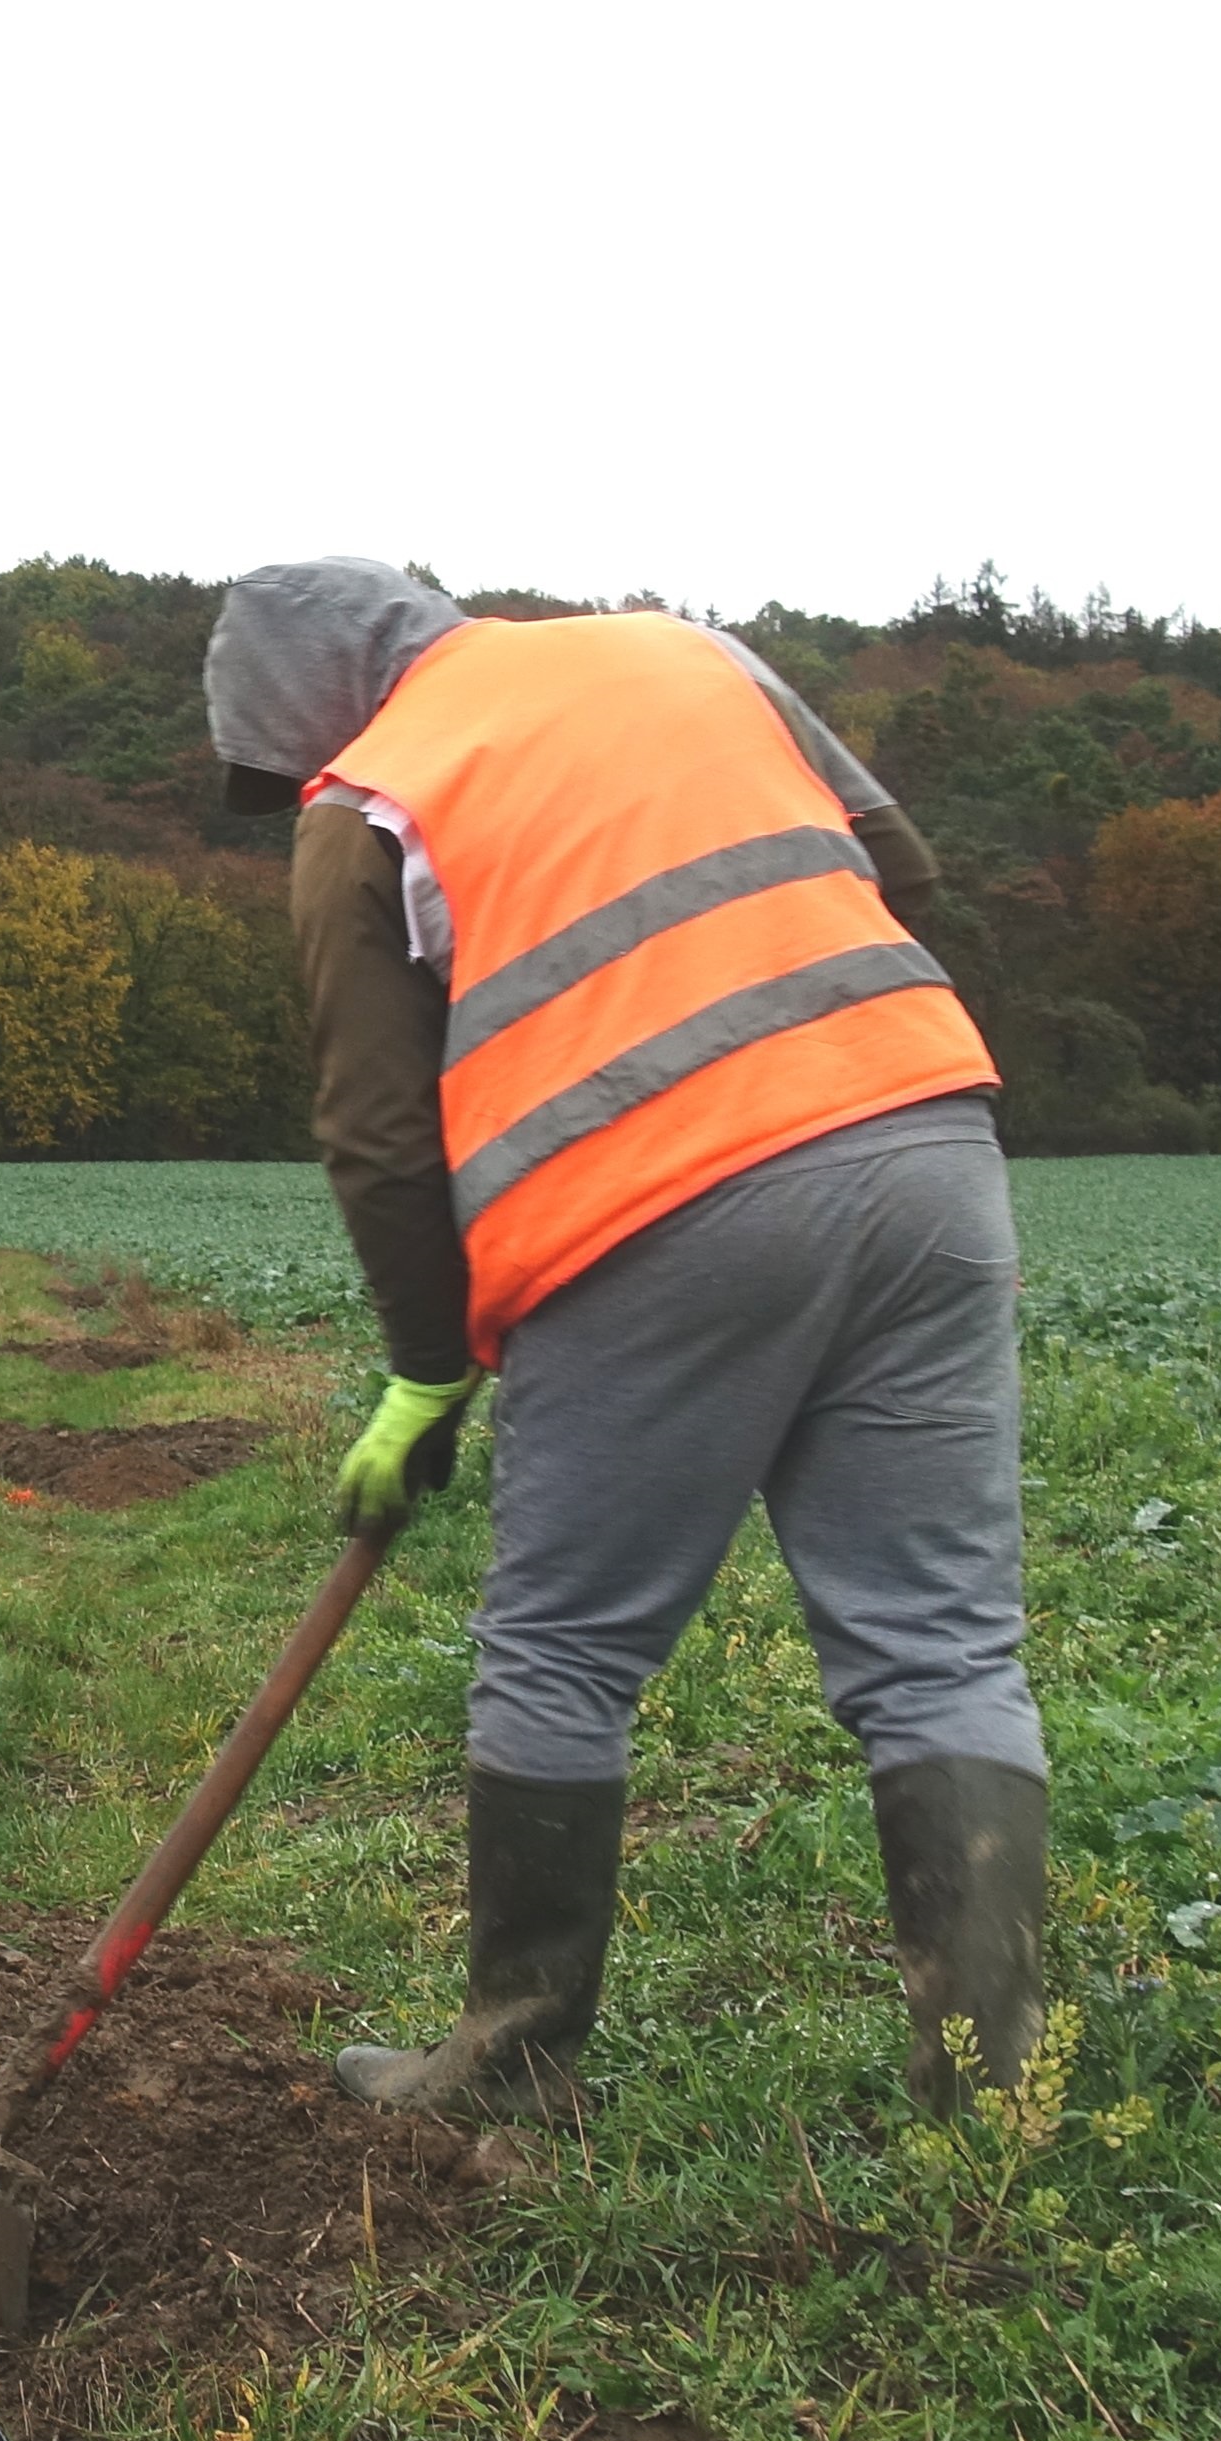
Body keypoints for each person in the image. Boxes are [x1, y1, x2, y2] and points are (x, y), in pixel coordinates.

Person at [205, 556, 1049, 2125]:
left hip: (658, 1203)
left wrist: (427, 1368)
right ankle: (993, 2090)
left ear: (308, 706)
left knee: (563, 1645)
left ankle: (512, 2068)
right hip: (927, 1146)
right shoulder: (686, 656)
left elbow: (382, 1138)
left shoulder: (368, 805)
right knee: (940, 1640)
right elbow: (898, 869)